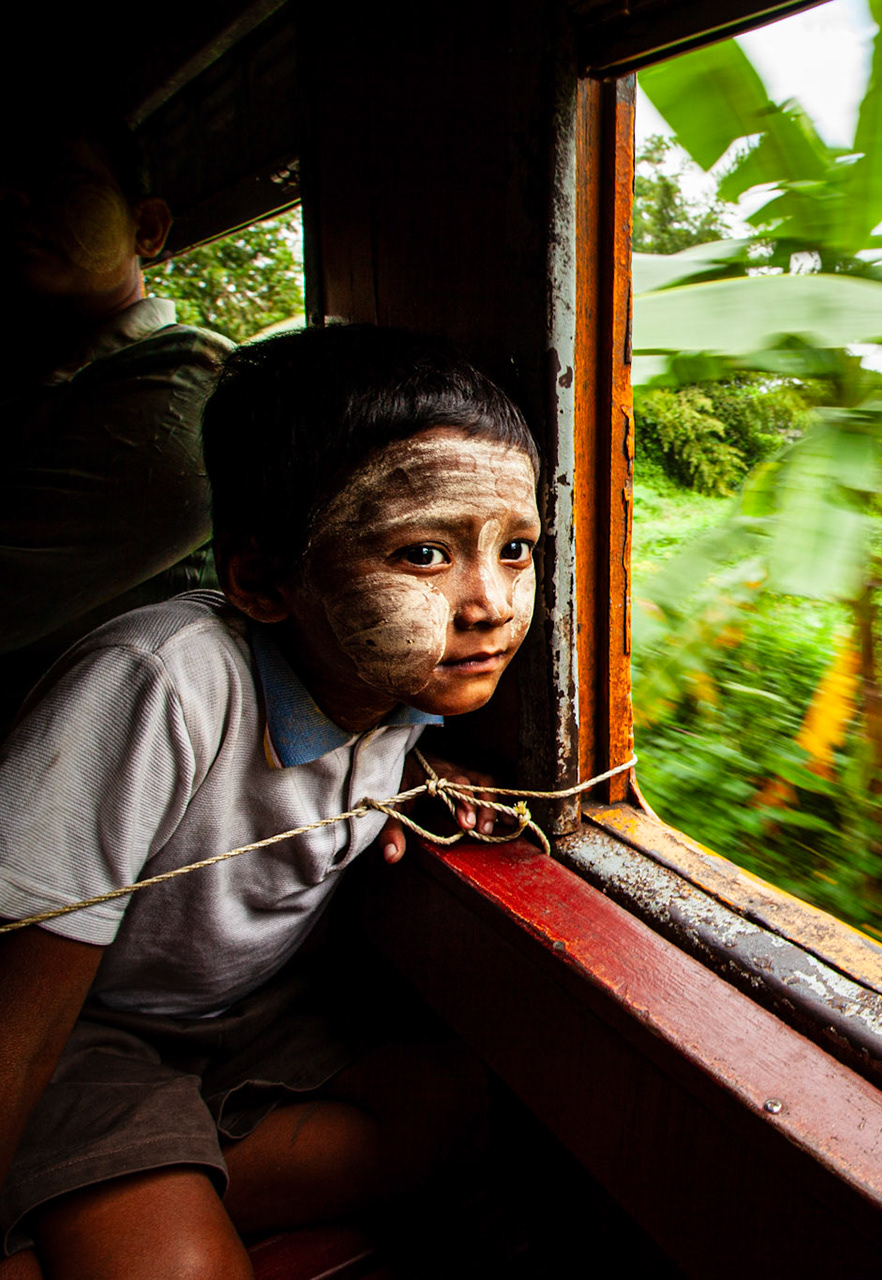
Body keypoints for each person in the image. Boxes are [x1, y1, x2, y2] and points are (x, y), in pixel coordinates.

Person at [0, 324, 541, 1278]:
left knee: (459, 1114)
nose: (490, 602)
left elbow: (339, 760)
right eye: (423, 554)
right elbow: (21, 1018)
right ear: (259, 580)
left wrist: (429, 780)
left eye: (516, 548)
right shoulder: (158, 686)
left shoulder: (398, 687)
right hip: (91, 1035)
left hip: (245, 1020)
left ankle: (129, 1197)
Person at [0, 107, 234, 723]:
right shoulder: (43, 389)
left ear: (149, 228)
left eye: (62, 183)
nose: (13, 198)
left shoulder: (189, 378)